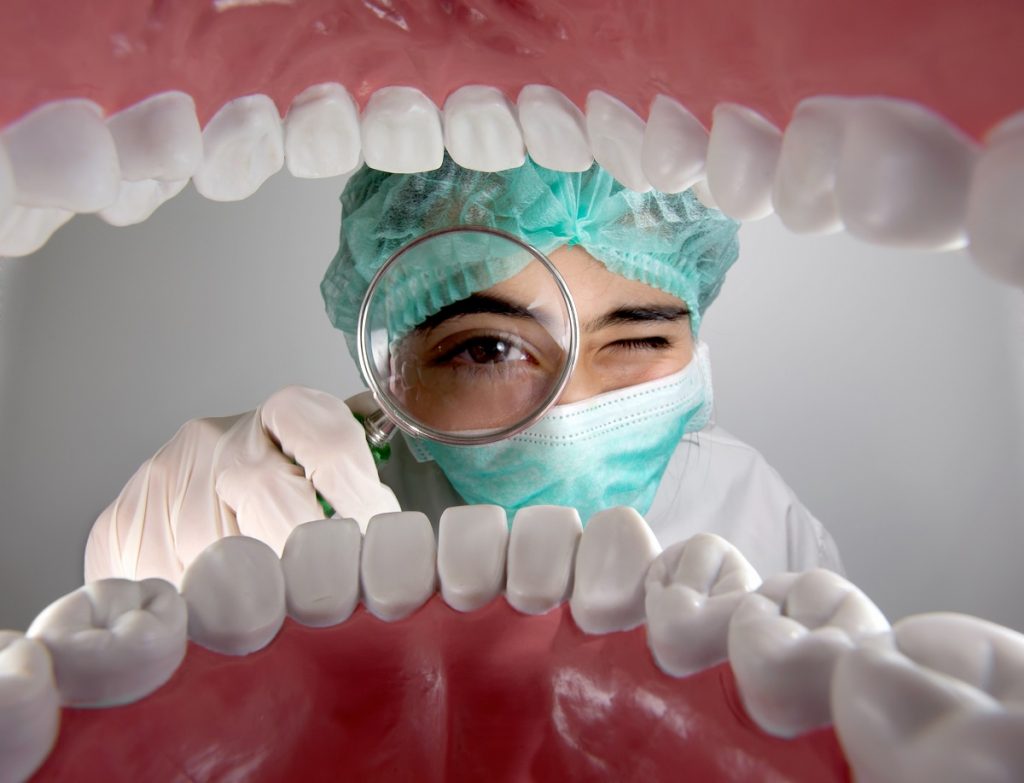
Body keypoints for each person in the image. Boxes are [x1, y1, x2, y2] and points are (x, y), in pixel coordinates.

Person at [84, 156, 842, 585]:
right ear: (397, 364)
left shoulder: (760, 519)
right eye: (489, 349)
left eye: (637, 341)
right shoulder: (303, 515)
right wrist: (138, 582)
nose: (569, 419)